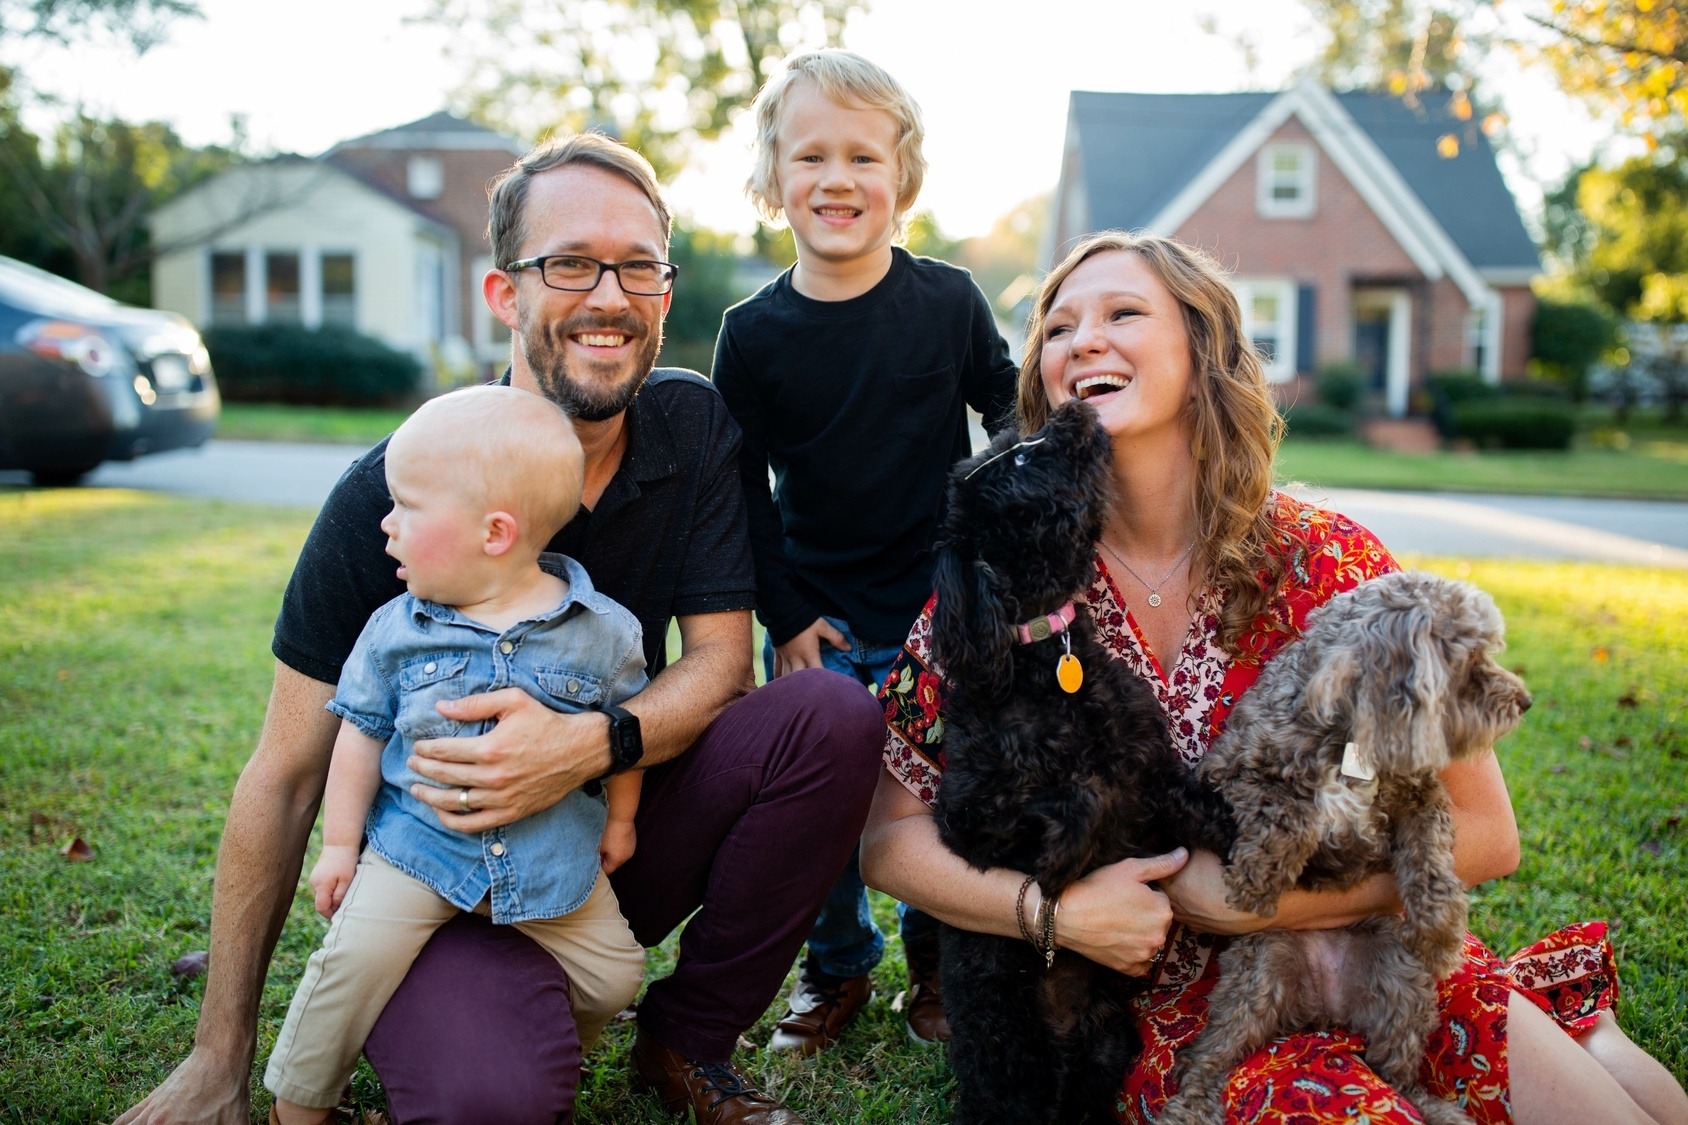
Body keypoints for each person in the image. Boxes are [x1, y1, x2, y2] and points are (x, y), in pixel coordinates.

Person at [118, 132, 885, 1125]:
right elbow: (287, 773)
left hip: (604, 852)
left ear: (663, 293)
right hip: (441, 873)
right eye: (569, 264)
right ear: (504, 295)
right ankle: (463, 1002)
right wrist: (218, 1057)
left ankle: (686, 1040)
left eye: (638, 267)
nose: (609, 296)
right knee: (493, 1100)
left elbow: (719, 665)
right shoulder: (392, 495)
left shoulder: (691, 429)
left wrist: (586, 746)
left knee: (827, 715)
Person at [860, 231, 1688, 1123]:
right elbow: (888, 839)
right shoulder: (1004, 572)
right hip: (1155, 1014)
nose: (1083, 340)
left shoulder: (1332, 561)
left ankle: (1562, 1030)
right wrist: (1052, 915)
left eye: (1123, 313)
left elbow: (1488, 834)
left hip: (1365, 959)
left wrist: (1262, 907)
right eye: (1057, 329)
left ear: (1203, 352)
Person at [712, 48, 1018, 1055]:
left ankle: (936, 964)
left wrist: (991, 532)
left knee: (944, 794)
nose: (835, 178)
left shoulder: (948, 302)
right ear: (773, 179)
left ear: (904, 178)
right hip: (821, 617)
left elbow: (1010, 407)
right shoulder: (750, 335)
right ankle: (836, 966)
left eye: (862, 156)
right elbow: (740, 492)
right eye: (809, 156)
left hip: (941, 610)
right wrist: (786, 614)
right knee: (822, 813)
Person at [265, 384, 649, 1122]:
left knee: (616, 975)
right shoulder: (395, 629)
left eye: (407, 507)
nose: (386, 525)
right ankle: (299, 1105)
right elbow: (359, 733)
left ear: (495, 532)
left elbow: (621, 736)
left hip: (549, 862)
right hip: (417, 853)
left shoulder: (603, 633)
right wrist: (340, 846)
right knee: (348, 964)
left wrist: (622, 821)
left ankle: (553, 1037)